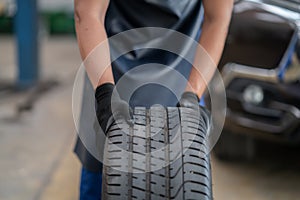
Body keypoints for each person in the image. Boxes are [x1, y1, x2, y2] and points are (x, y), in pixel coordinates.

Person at [74, 0, 233, 199]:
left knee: (184, 180)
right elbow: (88, 13)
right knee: (102, 177)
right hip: (108, 74)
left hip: (181, 84)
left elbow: (217, 18)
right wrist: (105, 94)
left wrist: (193, 93)